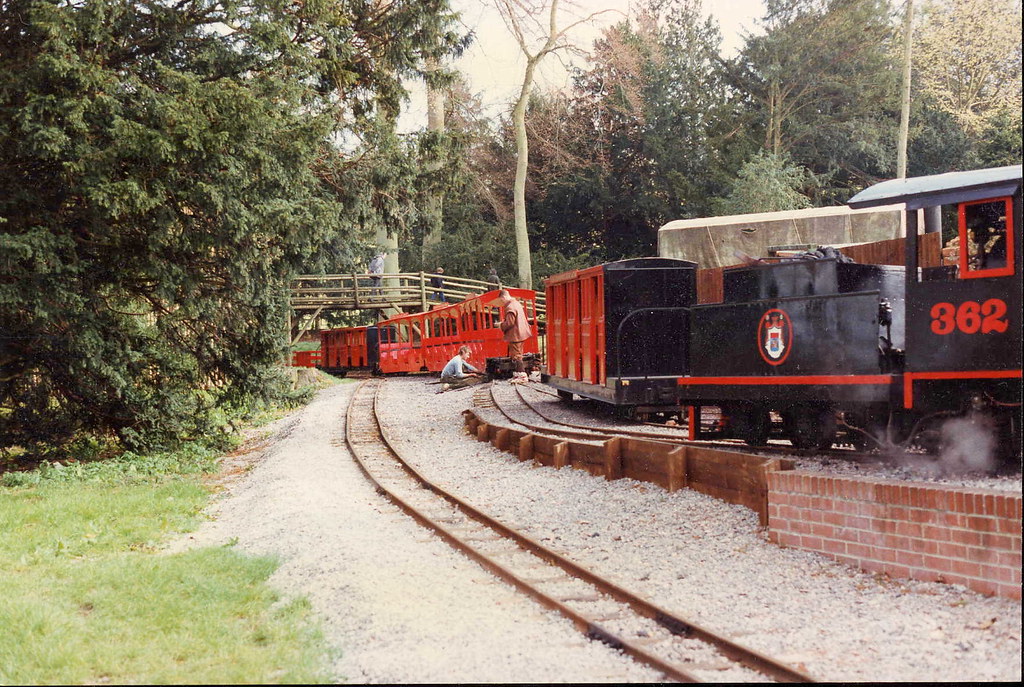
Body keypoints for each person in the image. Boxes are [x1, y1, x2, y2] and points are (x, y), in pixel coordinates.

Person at [498, 289, 532, 385]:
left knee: (517, 356)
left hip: (515, 335)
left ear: (504, 297)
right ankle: (518, 374)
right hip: (521, 333)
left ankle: (522, 376)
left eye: (501, 300)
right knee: (517, 354)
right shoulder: (516, 303)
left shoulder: (510, 307)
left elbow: (510, 323)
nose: (502, 302)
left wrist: (500, 325)